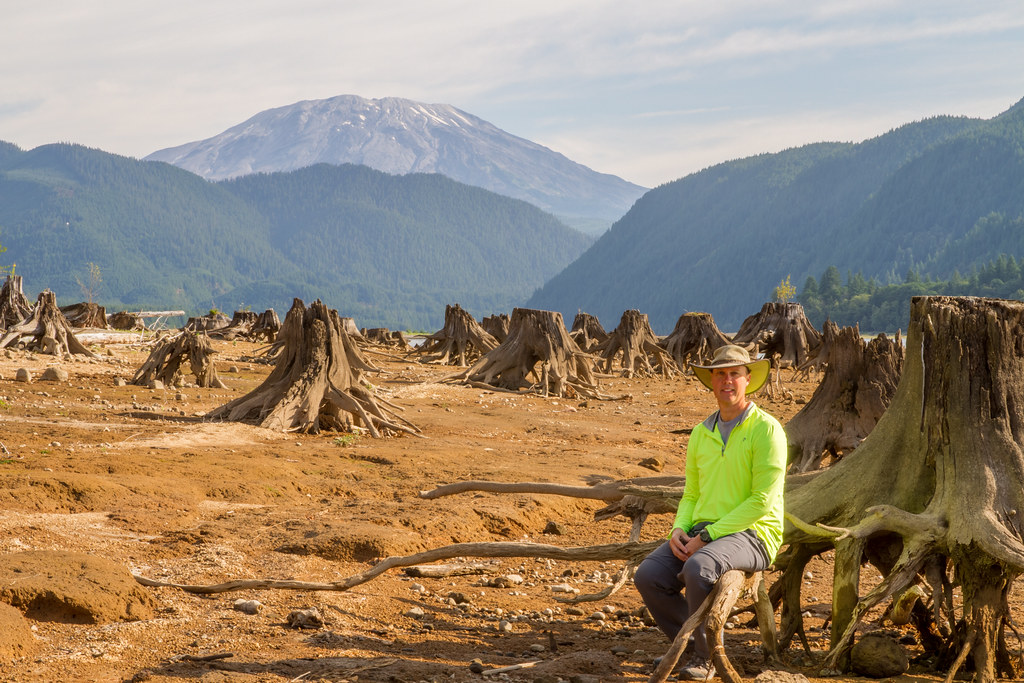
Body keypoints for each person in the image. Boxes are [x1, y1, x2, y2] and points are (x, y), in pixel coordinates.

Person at [634, 344, 787, 680]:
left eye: (735, 374)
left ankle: (705, 660)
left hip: (755, 533)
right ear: (712, 381)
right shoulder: (701, 433)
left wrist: (706, 537)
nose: (727, 381)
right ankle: (689, 647)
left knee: (698, 566)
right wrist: (678, 529)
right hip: (706, 528)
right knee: (648, 576)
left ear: (748, 379)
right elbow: (692, 493)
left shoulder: (767, 429)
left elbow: (762, 501)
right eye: (720, 374)